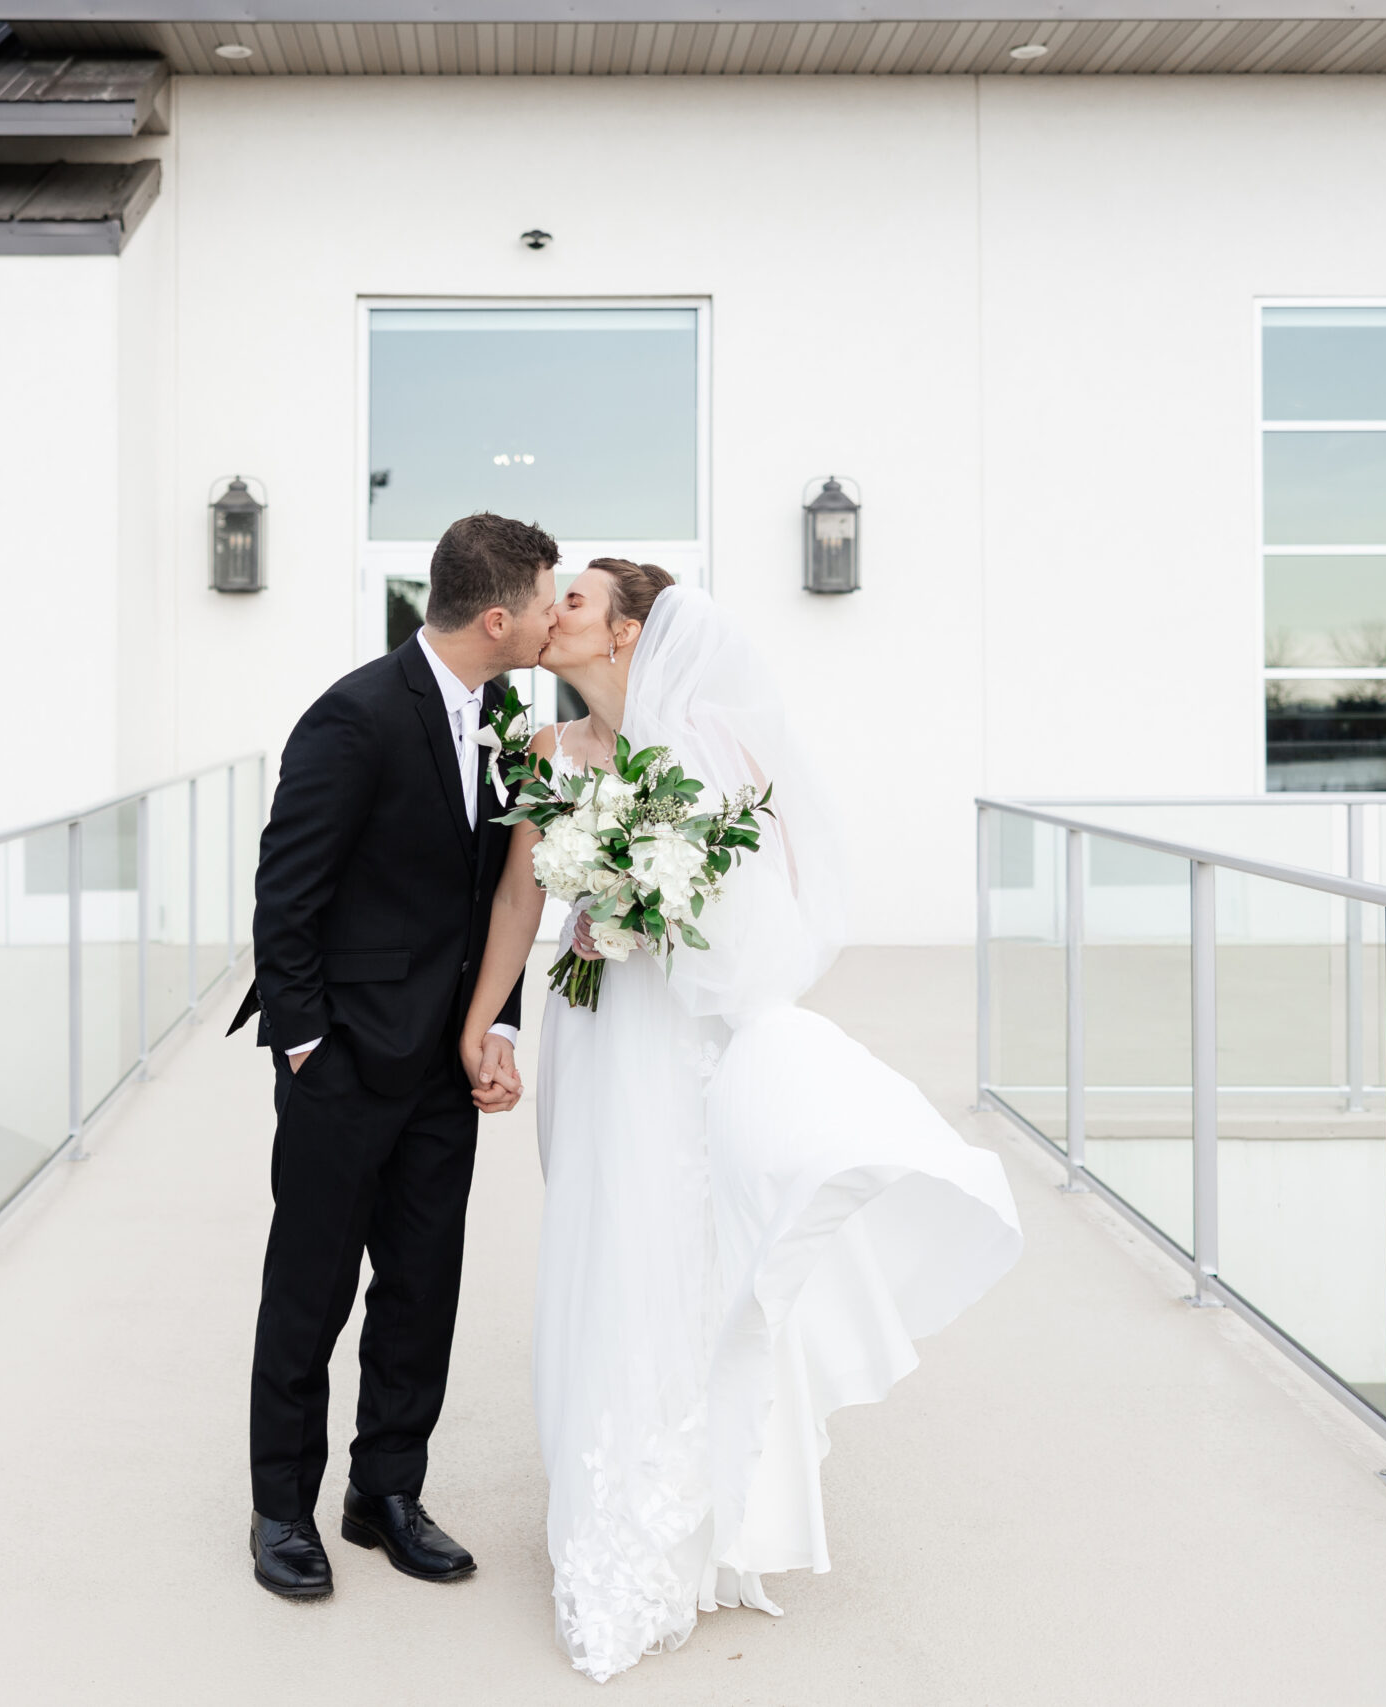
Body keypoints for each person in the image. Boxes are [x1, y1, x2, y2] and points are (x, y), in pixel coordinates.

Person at [458, 561, 1025, 1682]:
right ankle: (603, 1475)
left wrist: (646, 904)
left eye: (574, 599)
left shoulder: (717, 749)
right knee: (594, 1241)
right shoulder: (542, 752)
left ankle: (683, 1516)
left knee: (674, 1243)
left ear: (628, 633)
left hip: (675, 1037)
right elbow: (521, 896)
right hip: (590, 1031)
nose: (551, 611)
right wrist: (491, 1025)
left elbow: (781, 907)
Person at [230, 512, 554, 1600]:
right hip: (346, 1059)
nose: (559, 617)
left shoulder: (505, 715)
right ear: (499, 615)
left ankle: (386, 1494)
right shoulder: (356, 715)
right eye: (549, 599)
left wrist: (495, 1026)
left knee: (422, 1284)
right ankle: (282, 1509)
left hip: (443, 1066)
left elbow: (498, 895)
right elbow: (287, 894)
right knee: (311, 1287)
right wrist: (310, 1044)